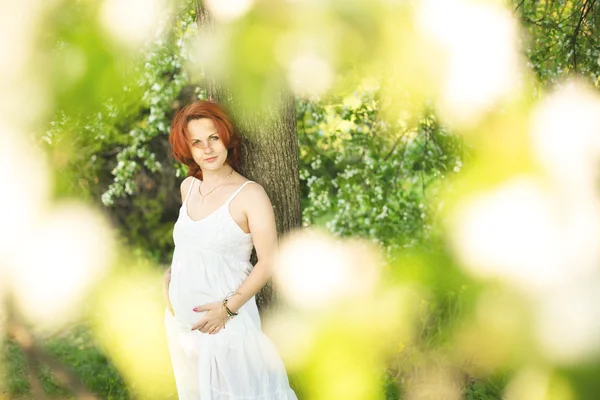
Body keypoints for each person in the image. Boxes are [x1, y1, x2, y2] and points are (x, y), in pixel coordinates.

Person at [162, 100, 298, 399]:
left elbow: (269, 260)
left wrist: (227, 309)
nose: (207, 149)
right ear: (188, 149)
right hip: (184, 328)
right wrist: (170, 280)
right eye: (196, 143)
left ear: (226, 137)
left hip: (226, 328)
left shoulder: (249, 195)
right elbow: (191, 245)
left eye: (213, 138)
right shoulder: (188, 187)